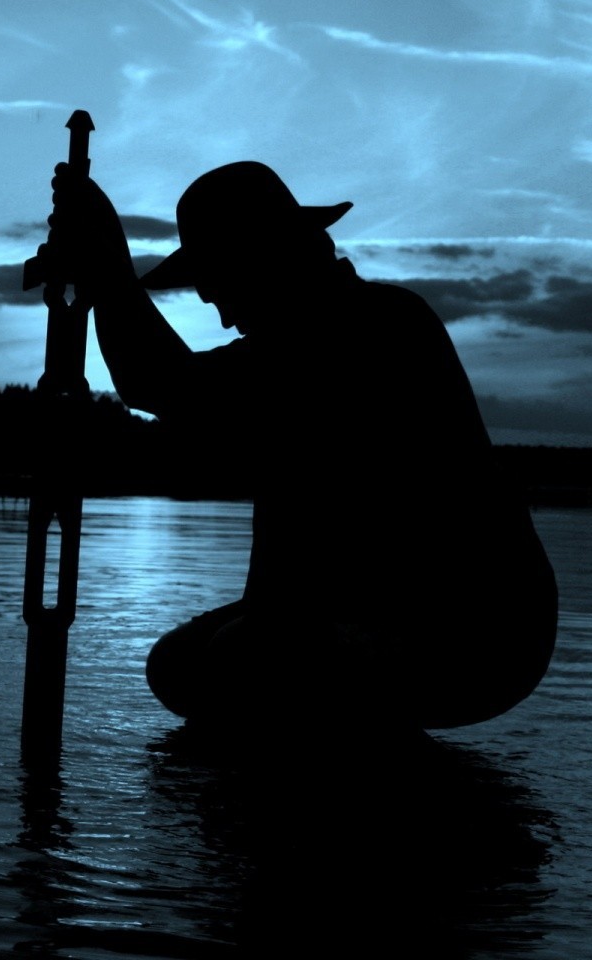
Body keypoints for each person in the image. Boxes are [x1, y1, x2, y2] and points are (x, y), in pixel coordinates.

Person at [50, 158, 557, 736]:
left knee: (245, 657)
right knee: (182, 667)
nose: (219, 314)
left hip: (478, 632)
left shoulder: (373, 327)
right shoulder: (307, 339)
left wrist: (107, 261)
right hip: (367, 609)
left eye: (218, 279)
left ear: (263, 257)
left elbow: (163, 383)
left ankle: (342, 783)